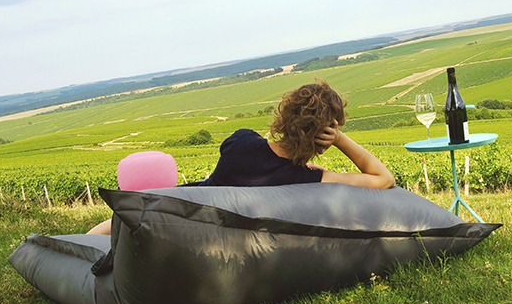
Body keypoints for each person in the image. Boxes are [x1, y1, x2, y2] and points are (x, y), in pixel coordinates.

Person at [88, 80, 394, 235]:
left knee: (109, 226)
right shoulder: (307, 179)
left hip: (180, 202)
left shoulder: (241, 141)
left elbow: (262, 150)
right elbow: (383, 178)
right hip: (209, 225)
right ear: (324, 136)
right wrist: (340, 139)